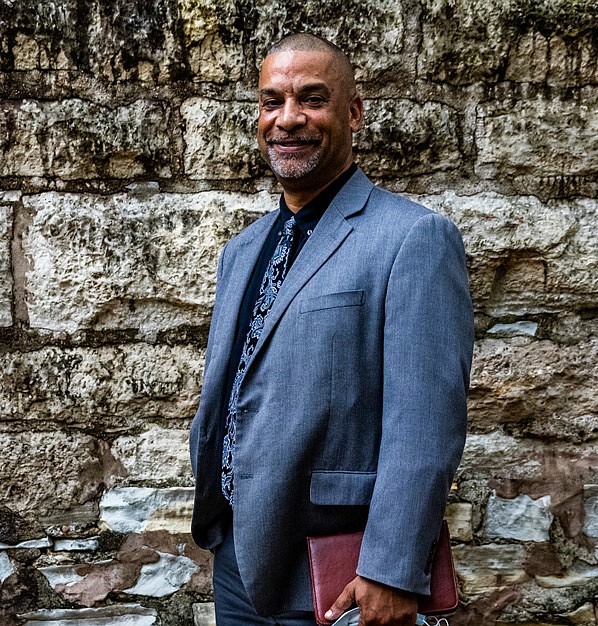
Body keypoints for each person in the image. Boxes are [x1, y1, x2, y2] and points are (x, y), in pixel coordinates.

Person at [189, 33, 474, 626]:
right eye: (272, 101)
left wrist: (392, 569)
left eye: (312, 99)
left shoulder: (411, 239)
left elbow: (425, 423)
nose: (288, 119)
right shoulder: (241, 252)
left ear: (354, 112)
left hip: (340, 574)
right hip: (238, 562)